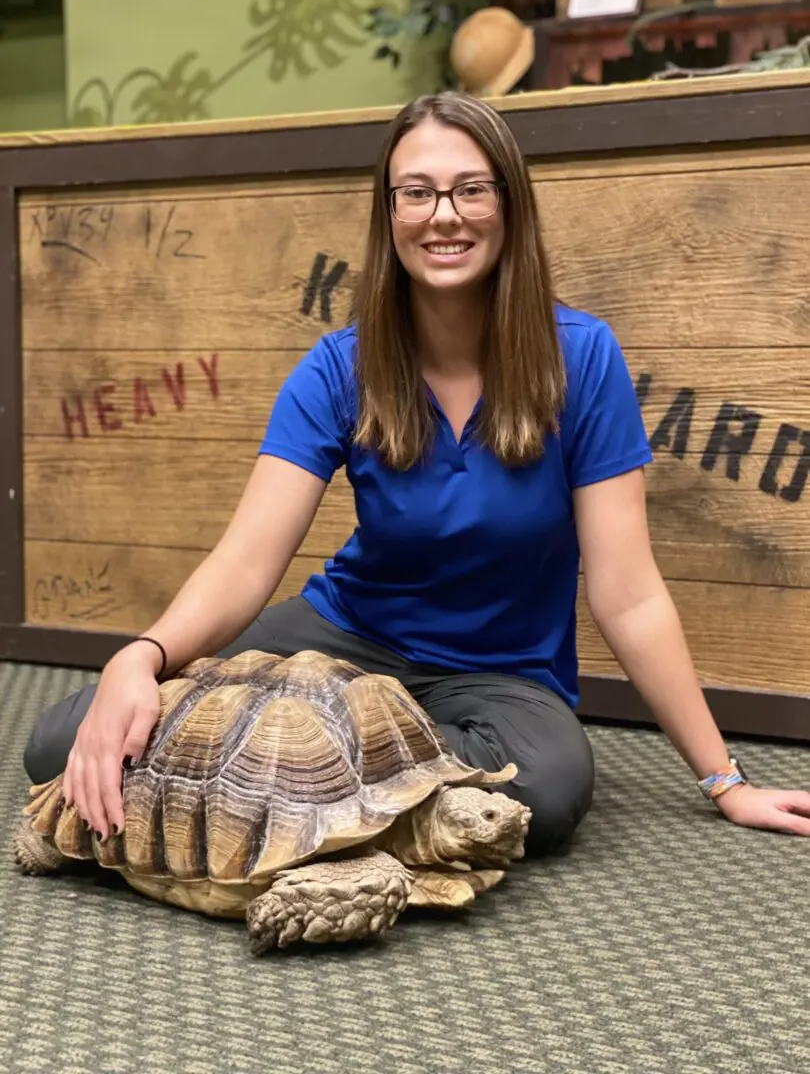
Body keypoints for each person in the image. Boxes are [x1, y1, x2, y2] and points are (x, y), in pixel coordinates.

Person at [23, 92, 810, 852]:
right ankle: (341, 790)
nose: (444, 215)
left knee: (549, 785)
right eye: (418, 193)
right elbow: (246, 560)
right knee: (65, 741)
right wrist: (144, 655)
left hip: (498, 676)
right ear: (389, 213)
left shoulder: (583, 358)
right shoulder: (339, 367)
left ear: (509, 206)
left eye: (471, 189)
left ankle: (299, 781)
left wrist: (724, 779)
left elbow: (628, 593)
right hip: (341, 639)